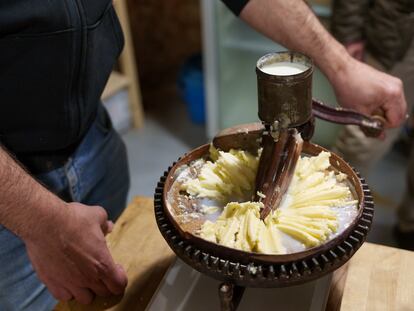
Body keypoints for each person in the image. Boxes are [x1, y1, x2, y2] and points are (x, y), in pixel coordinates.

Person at [0, 0, 407, 309]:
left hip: (94, 138)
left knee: (108, 283)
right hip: (12, 199)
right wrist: (39, 222)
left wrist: (341, 66)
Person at [331, 0, 414, 249]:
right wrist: (347, 34)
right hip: (395, 39)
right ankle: (325, 222)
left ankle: (409, 227)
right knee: (361, 143)